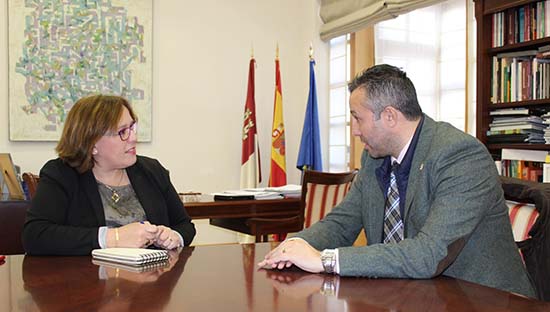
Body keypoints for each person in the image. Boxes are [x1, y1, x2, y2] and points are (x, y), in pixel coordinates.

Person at [259, 64, 536, 298]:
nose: (354, 131)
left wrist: (325, 260)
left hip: (483, 299)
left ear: (389, 116)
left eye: (358, 118)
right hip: (411, 295)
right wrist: (291, 248)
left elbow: (428, 255)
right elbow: (341, 223)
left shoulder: (460, 156)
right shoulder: (375, 157)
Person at [23, 95, 196, 255]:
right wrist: (114, 238)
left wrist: (173, 236)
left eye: (132, 127)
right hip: (86, 283)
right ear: (92, 144)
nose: (133, 137)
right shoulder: (61, 174)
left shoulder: (152, 170)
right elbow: (35, 235)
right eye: (122, 132)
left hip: (150, 282)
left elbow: (185, 225)